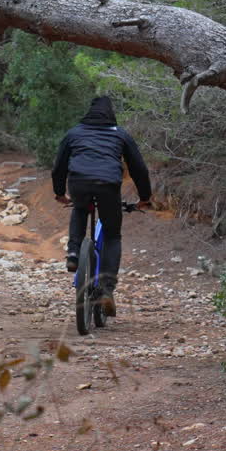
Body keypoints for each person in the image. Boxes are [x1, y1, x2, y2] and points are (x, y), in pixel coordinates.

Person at [52, 96, 152, 317]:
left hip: (78, 182)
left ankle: (73, 253)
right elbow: (139, 169)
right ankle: (106, 290)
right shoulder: (120, 134)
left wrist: (59, 193)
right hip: (108, 186)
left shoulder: (74, 133)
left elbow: (58, 166)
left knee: (80, 208)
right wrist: (145, 197)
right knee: (113, 234)